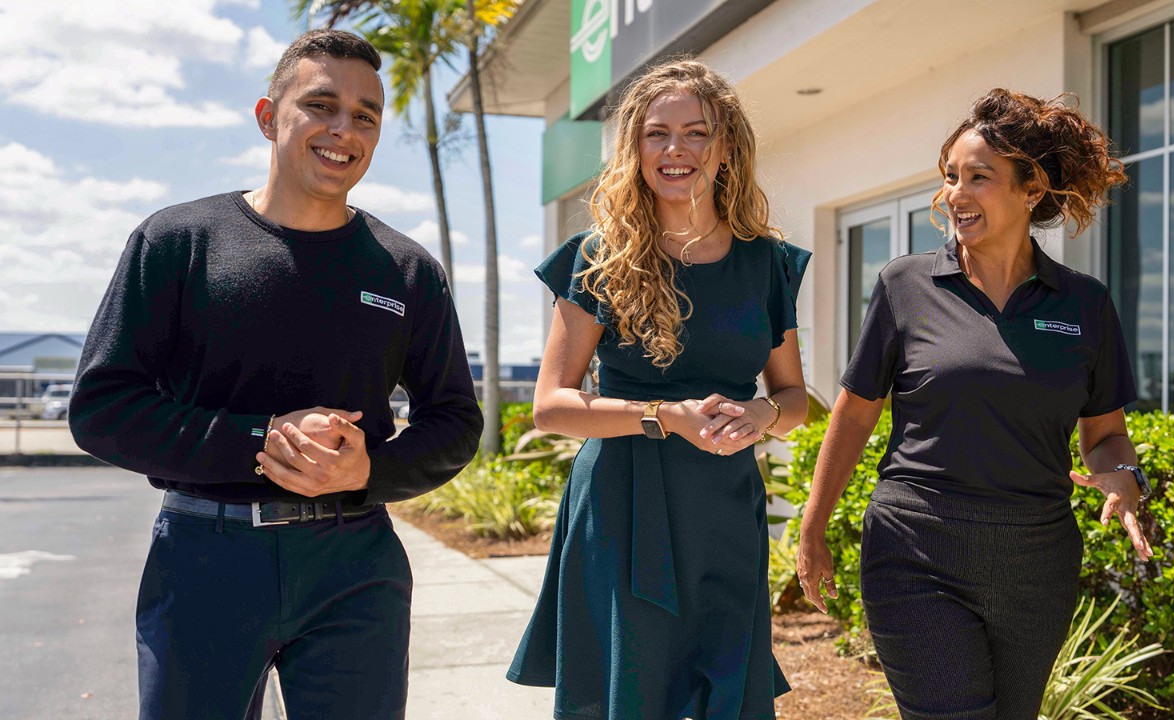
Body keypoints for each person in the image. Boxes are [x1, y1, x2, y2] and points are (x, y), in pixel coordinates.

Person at [69, 29, 482, 720]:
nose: (342, 130)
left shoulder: (406, 270)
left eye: (365, 116)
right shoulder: (178, 242)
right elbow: (102, 409)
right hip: (207, 555)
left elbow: (454, 422)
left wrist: (366, 472)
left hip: (355, 564)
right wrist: (264, 439)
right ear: (269, 116)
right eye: (321, 105)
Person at [796, 88, 1156, 720]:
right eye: (950, 178)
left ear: (1031, 188)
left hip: (1037, 561)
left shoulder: (1084, 304)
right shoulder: (905, 285)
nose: (954, 195)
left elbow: (1105, 433)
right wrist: (814, 523)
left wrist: (1124, 479)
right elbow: (855, 413)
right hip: (917, 548)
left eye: (977, 178)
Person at [506, 59, 810, 720]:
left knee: (724, 689)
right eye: (656, 134)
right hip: (623, 503)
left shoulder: (768, 263)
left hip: (725, 508)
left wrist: (761, 414)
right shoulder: (600, 256)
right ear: (635, 151)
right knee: (629, 693)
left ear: (726, 148)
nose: (676, 150)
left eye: (696, 133)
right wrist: (666, 417)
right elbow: (551, 406)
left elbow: (795, 401)